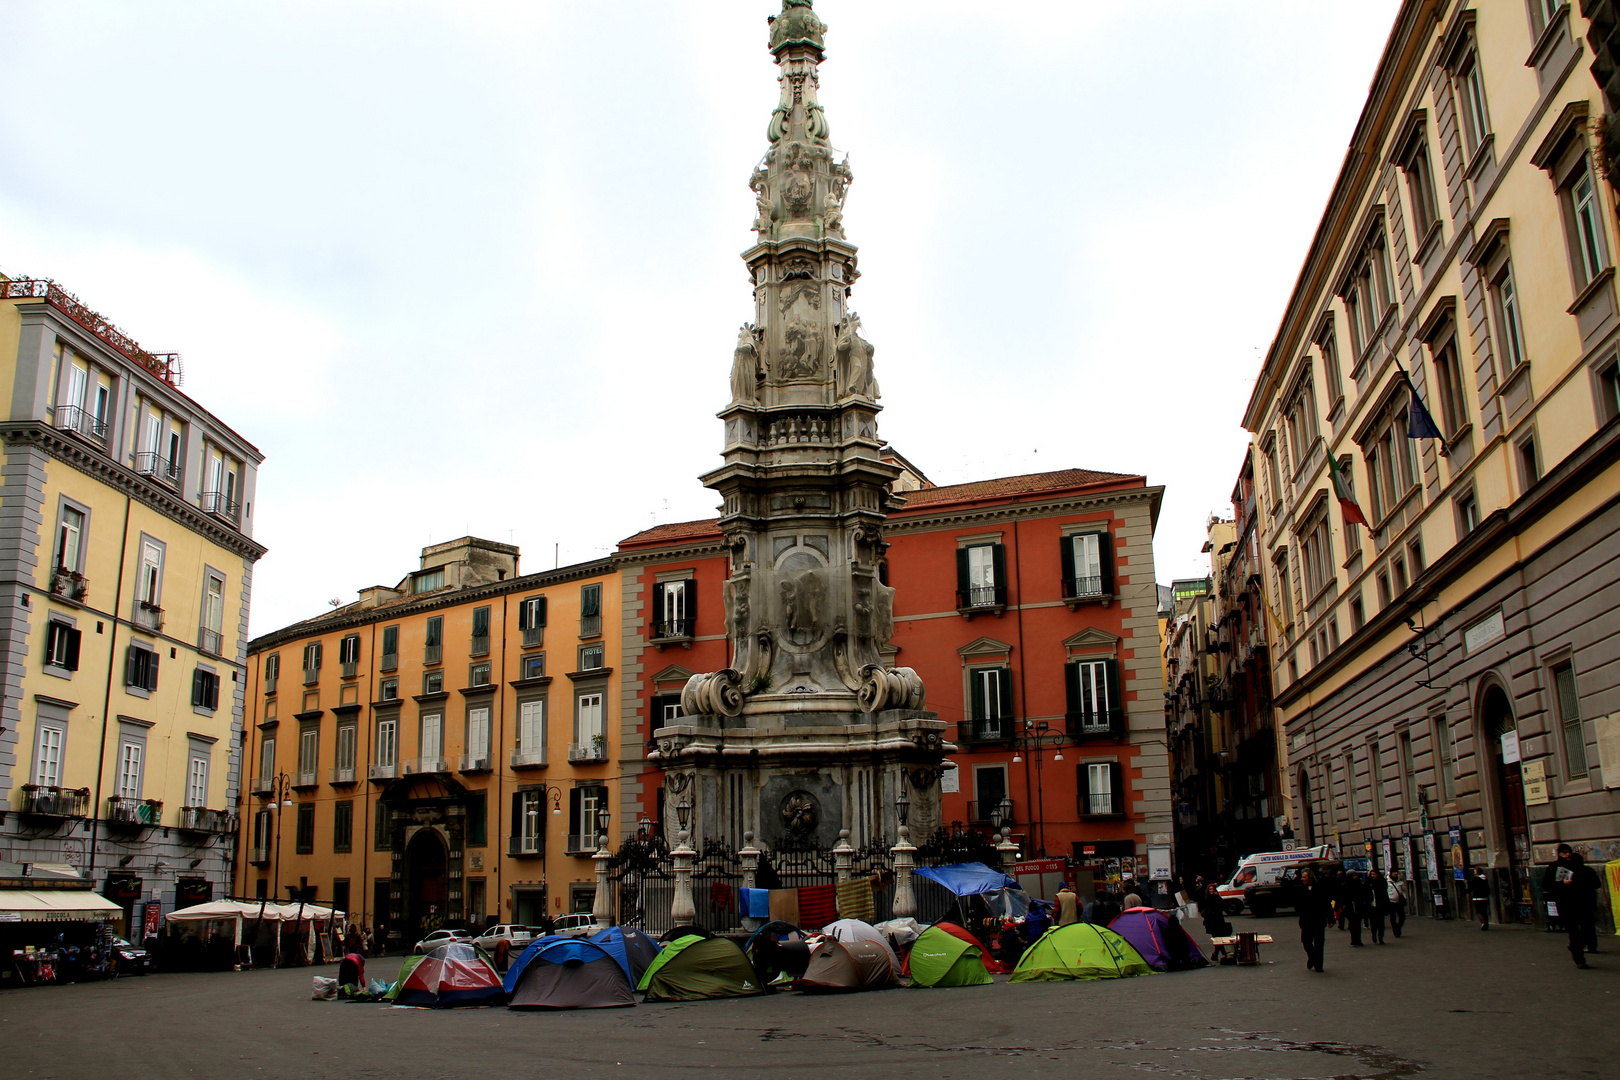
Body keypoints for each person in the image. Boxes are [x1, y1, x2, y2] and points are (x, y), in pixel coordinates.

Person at [1543, 843, 1601, 968]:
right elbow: (1547, 885)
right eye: (1564, 852)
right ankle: (1579, 958)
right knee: (1573, 931)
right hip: (1567, 904)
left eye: (1569, 852)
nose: (1567, 854)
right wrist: (1562, 884)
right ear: (1559, 854)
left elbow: (1596, 884)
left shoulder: (1583, 869)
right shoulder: (1554, 868)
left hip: (1584, 904)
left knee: (1586, 930)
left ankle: (1576, 947)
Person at [1297, 868, 1329, 972]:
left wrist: (1331, 918)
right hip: (1306, 921)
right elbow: (1298, 905)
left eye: (1304, 877)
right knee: (1306, 941)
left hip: (1318, 920)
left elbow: (1326, 903)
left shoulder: (1320, 888)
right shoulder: (1302, 889)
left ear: (1310, 878)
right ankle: (1313, 957)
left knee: (1319, 943)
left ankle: (1318, 965)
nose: (1302, 879)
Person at [1198, 882, 1232, 962]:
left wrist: (1217, 896)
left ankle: (1216, 954)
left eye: (1213, 889)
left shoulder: (1217, 898)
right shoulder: (1206, 898)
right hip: (1211, 921)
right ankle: (1222, 953)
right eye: (1210, 889)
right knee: (1216, 938)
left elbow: (1222, 906)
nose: (1211, 891)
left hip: (1219, 920)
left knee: (1218, 938)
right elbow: (1203, 908)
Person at [1340, 872, 1365, 947]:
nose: (1355, 877)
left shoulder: (1359, 883)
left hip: (1358, 906)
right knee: (1352, 924)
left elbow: (1362, 893)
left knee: (1358, 924)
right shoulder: (1346, 884)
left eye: (1356, 875)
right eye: (1353, 876)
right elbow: (1344, 896)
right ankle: (1354, 940)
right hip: (1350, 907)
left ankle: (1358, 940)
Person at [1365, 870, 1390, 945]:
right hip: (1372, 906)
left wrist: (1386, 907)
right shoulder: (1368, 883)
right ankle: (1374, 935)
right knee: (1373, 923)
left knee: (1381, 924)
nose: (1373, 876)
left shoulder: (1382, 883)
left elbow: (1385, 895)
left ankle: (1381, 938)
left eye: (1374, 874)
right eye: (1371, 874)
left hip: (1380, 906)